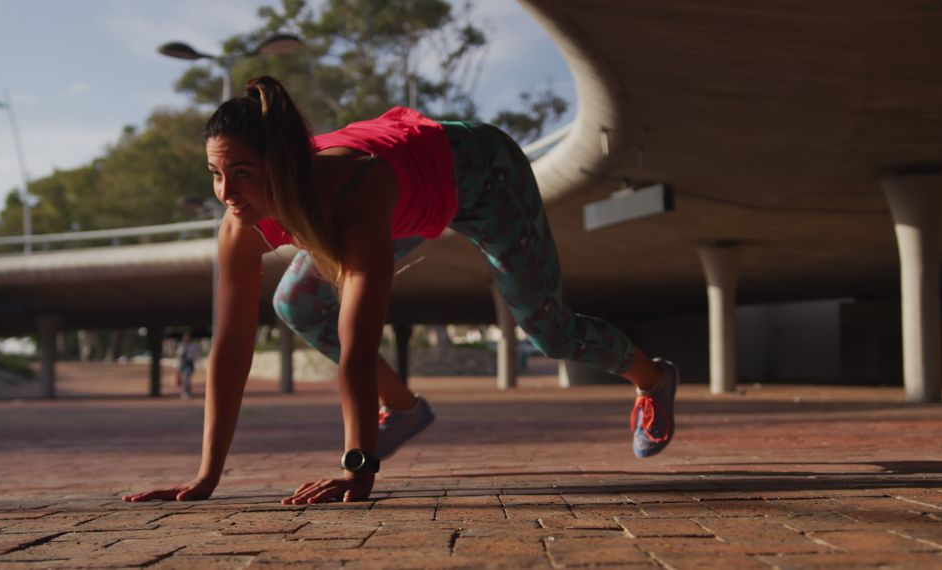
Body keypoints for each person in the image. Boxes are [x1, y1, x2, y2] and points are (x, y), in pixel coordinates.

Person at [123, 76, 679, 506]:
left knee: (551, 332)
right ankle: (404, 409)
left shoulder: (357, 190)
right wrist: (206, 477)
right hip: (406, 190)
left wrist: (357, 467)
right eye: (215, 175)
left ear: (284, 162)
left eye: (241, 172)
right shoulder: (239, 224)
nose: (226, 193)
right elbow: (229, 351)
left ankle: (652, 379)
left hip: (483, 176)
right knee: (295, 302)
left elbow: (359, 346)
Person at [175, 333, 201, 399]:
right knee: (184, 378)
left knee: (186, 377)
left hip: (189, 363)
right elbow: (178, 355)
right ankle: (186, 391)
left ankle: (186, 392)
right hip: (182, 363)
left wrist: (196, 361)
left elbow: (197, 355)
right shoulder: (181, 345)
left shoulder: (193, 346)